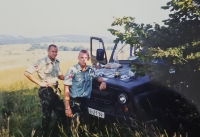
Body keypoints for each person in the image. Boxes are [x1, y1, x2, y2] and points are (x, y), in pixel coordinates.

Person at [24, 44, 65, 136]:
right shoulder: (42, 62)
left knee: (61, 112)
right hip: (46, 91)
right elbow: (27, 73)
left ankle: (55, 133)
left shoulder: (57, 62)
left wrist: (68, 77)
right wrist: (40, 83)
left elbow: (59, 75)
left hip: (55, 91)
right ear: (48, 51)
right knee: (47, 116)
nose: (54, 53)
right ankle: (44, 133)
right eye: (52, 51)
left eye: (56, 51)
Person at [64, 49, 106, 134]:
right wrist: (67, 107)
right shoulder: (72, 70)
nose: (83, 59)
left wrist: (103, 81)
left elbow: (97, 77)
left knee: (86, 125)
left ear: (88, 58)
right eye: (81, 57)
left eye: (86, 58)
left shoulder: (90, 69)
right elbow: (66, 89)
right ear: (78, 58)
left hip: (86, 101)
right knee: (74, 126)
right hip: (75, 101)